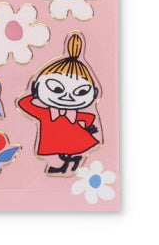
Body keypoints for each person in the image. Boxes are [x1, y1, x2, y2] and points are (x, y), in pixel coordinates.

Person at [17, 33, 101, 174]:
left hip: (73, 138)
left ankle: (68, 163)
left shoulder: (52, 114)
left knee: (66, 151)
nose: (67, 96)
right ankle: (71, 162)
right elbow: (23, 104)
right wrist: (34, 92)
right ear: (38, 86)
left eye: (80, 92)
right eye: (56, 88)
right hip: (58, 140)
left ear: (93, 93)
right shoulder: (45, 114)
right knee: (63, 153)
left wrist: (88, 128)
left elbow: (88, 117)